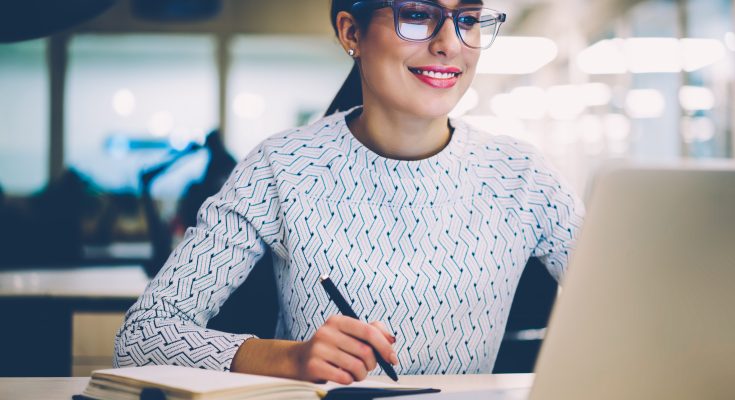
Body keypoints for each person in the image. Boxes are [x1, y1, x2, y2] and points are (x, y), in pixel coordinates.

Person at [114, 0, 584, 385]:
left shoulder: (523, 177)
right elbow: (142, 335)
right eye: (418, 14)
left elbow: (642, 311)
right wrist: (289, 360)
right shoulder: (282, 167)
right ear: (351, 33)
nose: (448, 44)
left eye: (466, 19)